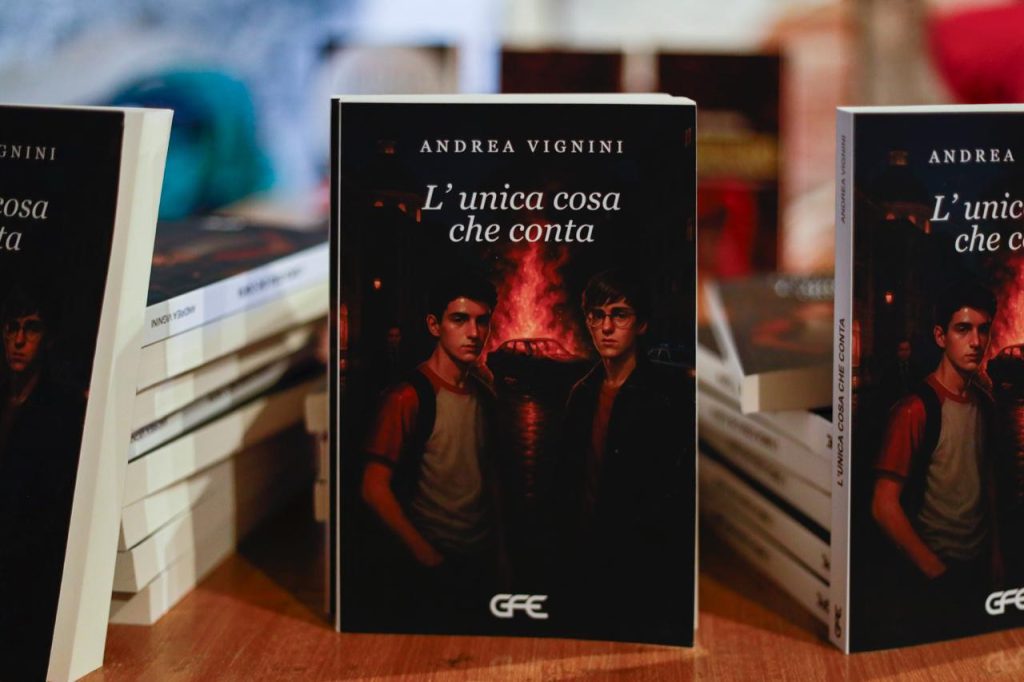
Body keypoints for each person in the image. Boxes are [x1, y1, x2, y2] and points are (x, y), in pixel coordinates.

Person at [358, 272, 503, 628]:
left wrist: (502, 556)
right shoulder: (408, 397)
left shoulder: (485, 396)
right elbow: (373, 487)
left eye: (482, 321)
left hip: (481, 560)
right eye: (459, 319)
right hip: (435, 562)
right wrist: (427, 556)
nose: (473, 332)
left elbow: (489, 478)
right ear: (434, 325)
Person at [556, 268, 693, 644]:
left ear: (641, 323)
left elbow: (676, 495)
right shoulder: (581, 395)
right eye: (597, 315)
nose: (606, 327)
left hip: (641, 567)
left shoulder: (667, 399)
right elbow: (566, 484)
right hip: (584, 560)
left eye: (619, 315)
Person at [871, 280, 1002, 637]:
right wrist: (934, 570)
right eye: (963, 329)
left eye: (983, 330)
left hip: (978, 567)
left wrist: (995, 554)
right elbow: (883, 504)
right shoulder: (915, 409)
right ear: (941, 336)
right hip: (935, 571)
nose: (976, 341)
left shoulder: (984, 404)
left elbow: (986, 479)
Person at [0, 288, 87, 677]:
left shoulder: (62, 408)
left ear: (47, 338)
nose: (18, 340)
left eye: (31, 329)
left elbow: (52, 508)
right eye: (12, 328)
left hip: (28, 580)